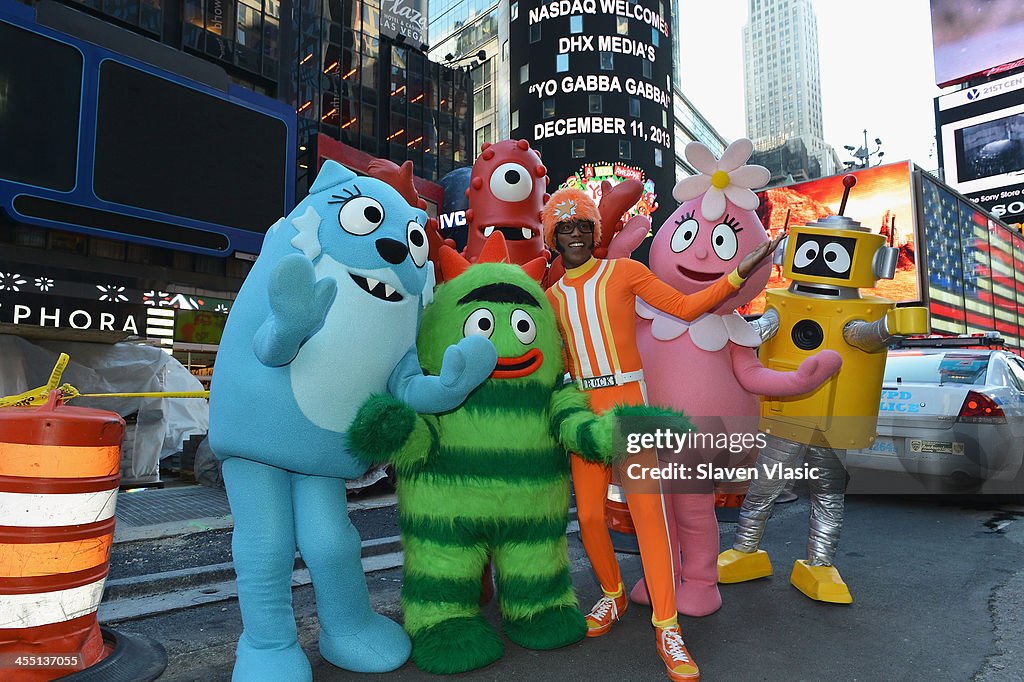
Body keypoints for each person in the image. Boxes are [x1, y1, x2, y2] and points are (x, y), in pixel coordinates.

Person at [543, 187, 780, 682]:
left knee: (650, 516)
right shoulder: (550, 299)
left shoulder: (625, 272)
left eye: (584, 226)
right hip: (584, 409)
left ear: (596, 232)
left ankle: (667, 628)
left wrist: (739, 272)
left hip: (629, 405)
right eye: (566, 228)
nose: (577, 236)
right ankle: (611, 594)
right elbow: (559, 361)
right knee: (588, 514)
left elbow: (686, 306)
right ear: (553, 238)